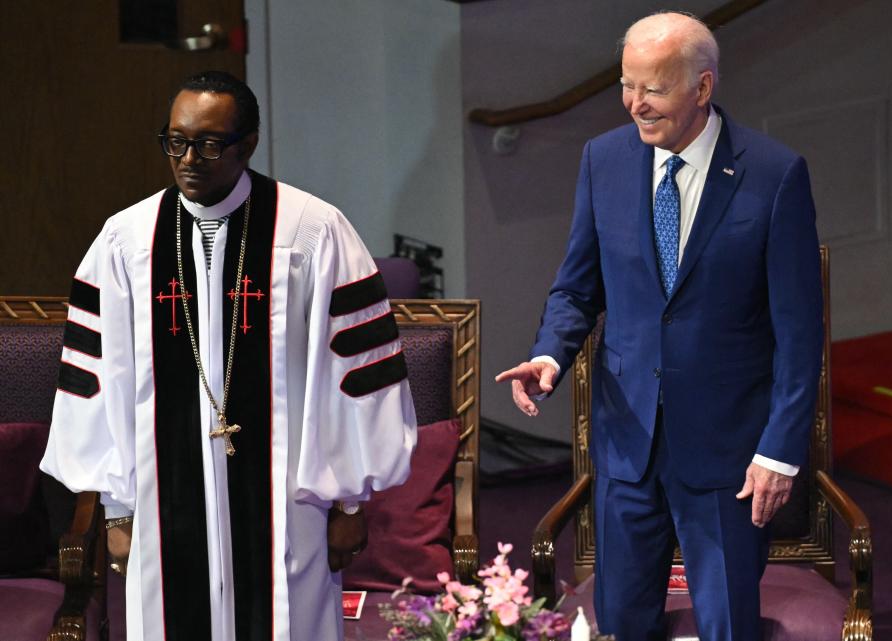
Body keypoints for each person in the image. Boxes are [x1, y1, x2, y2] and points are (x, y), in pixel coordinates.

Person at [40, 71, 417, 641]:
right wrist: (116, 509)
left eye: (210, 144)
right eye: (176, 141)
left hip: (290, 501)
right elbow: (99, 382)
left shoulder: (313, 233)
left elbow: (352, 376)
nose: (189, 158)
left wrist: (346, 504)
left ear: (249, 145)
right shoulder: (126, 241)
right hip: (162, 505)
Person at [496, 12, 822, 641]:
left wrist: (779, 453)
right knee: (623, 624)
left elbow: (800, 334)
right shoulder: (604, 160)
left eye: (654, 89)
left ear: (702, 88)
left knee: (728, 623)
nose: (635, 105)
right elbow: (576, 287)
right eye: (627, 85)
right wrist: (550, 356)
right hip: (627, 443)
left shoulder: (775, 174)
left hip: (729, 452)